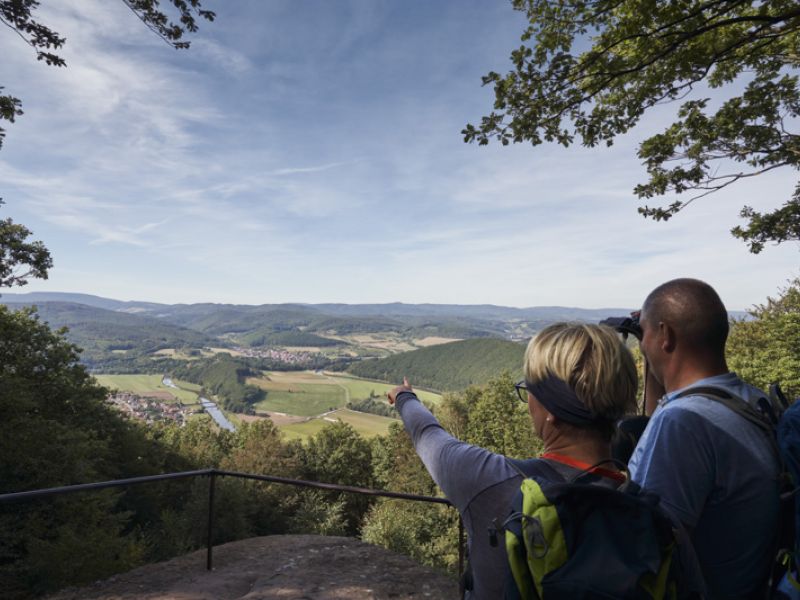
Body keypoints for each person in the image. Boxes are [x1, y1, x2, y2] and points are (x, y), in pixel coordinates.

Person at [388, 322, 637, 599]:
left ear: (551, 409)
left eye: (530, 389)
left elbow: (430, 437)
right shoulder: (652, 516)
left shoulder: (493, 481)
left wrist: (404, 397)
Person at [628, 278, 781, 599]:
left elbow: (648, 545)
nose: (643, 343)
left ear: (665, 335)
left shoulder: (683, 423)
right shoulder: (748, 399)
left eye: (646, 334)